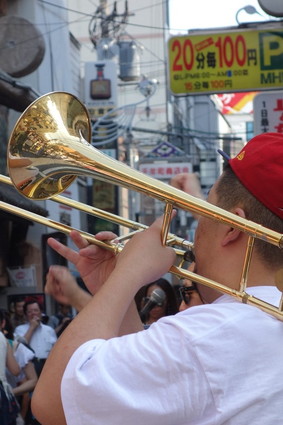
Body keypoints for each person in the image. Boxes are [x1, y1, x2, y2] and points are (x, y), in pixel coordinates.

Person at [32, 132, 283, 425]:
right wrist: (115, 293)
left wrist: (127, 274)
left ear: (232, 228)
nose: (198, 226)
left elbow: (53, 401)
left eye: (206, 211)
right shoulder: (258, 319)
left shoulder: (209, 336)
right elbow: (146, 397)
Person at [14, 299, 57, 377]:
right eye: (29, 312)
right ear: (26, 314)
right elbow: (20, 346)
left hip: (47, 367)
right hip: (29, 370)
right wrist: (32, 327)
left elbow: (55, 349)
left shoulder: (49, 330)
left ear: (41, 312)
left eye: (36, 310)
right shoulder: (19, 329)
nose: (33, 313)